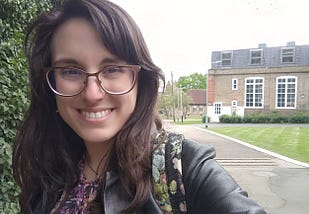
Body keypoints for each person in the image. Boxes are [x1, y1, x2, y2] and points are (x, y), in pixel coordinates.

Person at [13, 0, 266, 213]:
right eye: (70, 70)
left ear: (140, 81)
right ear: (49, 83)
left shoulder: (183, 167)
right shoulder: (47, 168)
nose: (92, 93)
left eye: (112, 69)